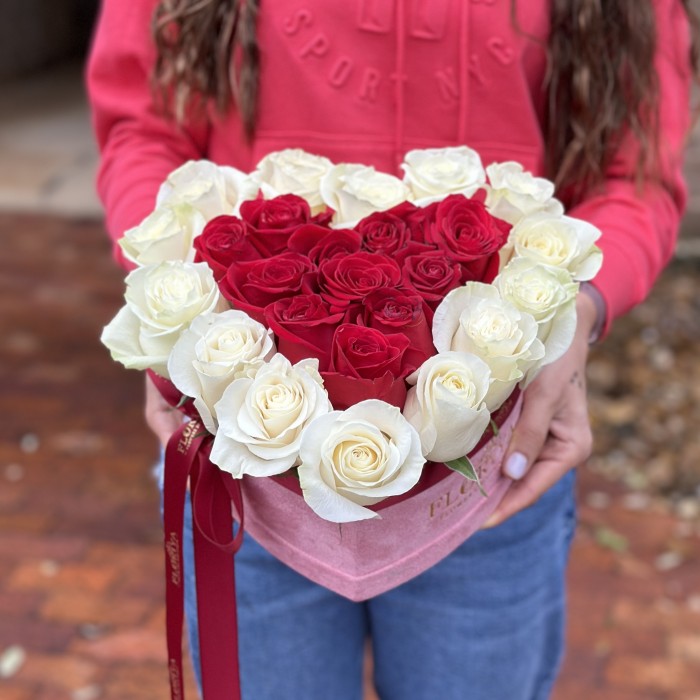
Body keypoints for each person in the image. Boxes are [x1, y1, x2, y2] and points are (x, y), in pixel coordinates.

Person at [86, 1, 696, 698]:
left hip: (487, 465)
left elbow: (633, 175)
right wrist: (169, 301)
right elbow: (144, 128)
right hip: (248, 465)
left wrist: (579, 313)